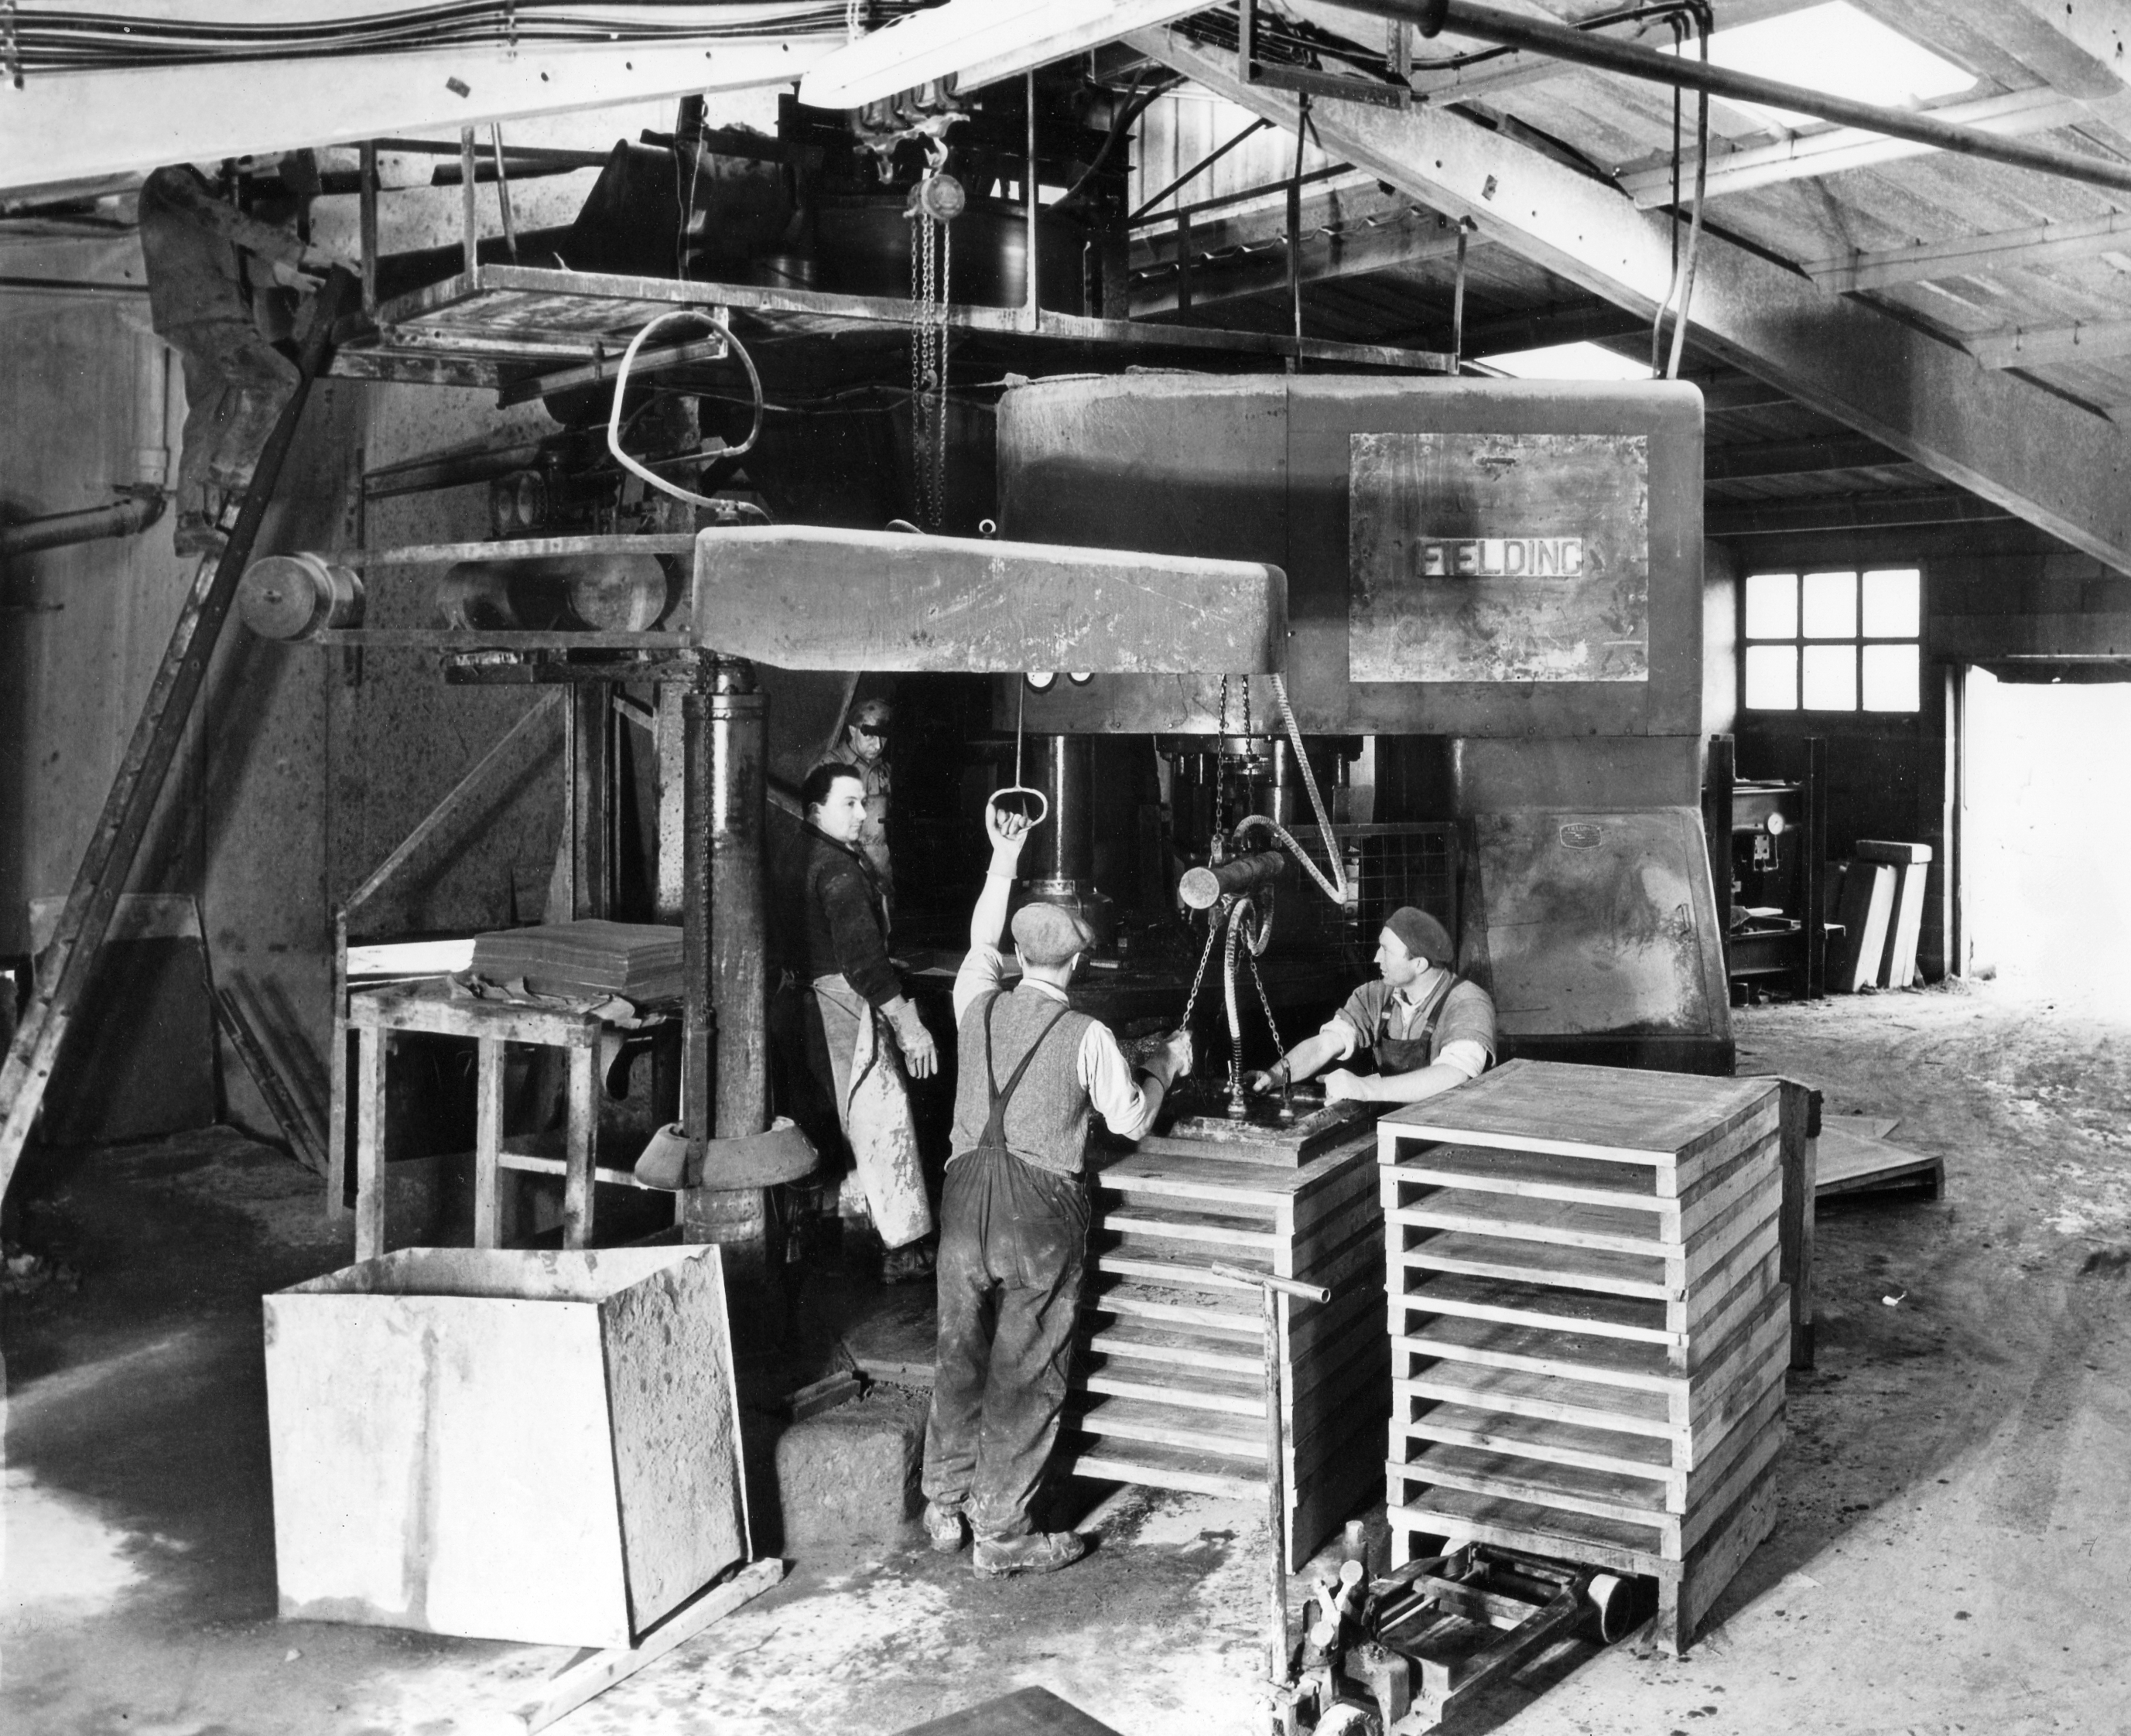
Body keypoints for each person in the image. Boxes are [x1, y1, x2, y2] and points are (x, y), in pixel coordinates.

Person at [922, 800, 1193, 1577]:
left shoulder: (974, 1000)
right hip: (1038, 1211)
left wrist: (1003, 856)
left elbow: (977, 939)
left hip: (964, 1195)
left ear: (1015, 954)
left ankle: (944, 1504)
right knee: (1025, 1368)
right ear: (1075, 965)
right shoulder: (1089, 1037)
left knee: (958, 1350)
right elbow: (1133, 1119)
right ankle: (1002, 1536)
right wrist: (1167, 1061)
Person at [772, 761, 938, 1283]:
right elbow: (864, 963)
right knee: (879, 1124)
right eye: (850, 803)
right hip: (843, 1006)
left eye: (863, 802)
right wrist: (910, 1025)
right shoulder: (838, 869)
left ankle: (821, 1240)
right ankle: (898, 1251)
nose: (863, 814)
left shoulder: (796, 850)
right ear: (816, 809)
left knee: (822, 1126)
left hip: (799, 1000)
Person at [1245, 906, 1494, 1105]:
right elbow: (1325, 1045)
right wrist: (1277, 1075)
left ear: (1419, 964)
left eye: (1386, 951)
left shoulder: (1468, 1003)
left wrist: (1365, 1088)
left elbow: (1453, 1075)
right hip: (1394, 1123)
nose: (1376, 958)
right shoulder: (1376, 995)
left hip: (1447, 1133)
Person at [823, 695, 894, 889]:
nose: (878, 745)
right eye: (870, 735)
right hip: (847, 882)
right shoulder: (830, 768)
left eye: (883, 736)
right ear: (852, 730)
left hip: (883, 884)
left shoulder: (885, 771)